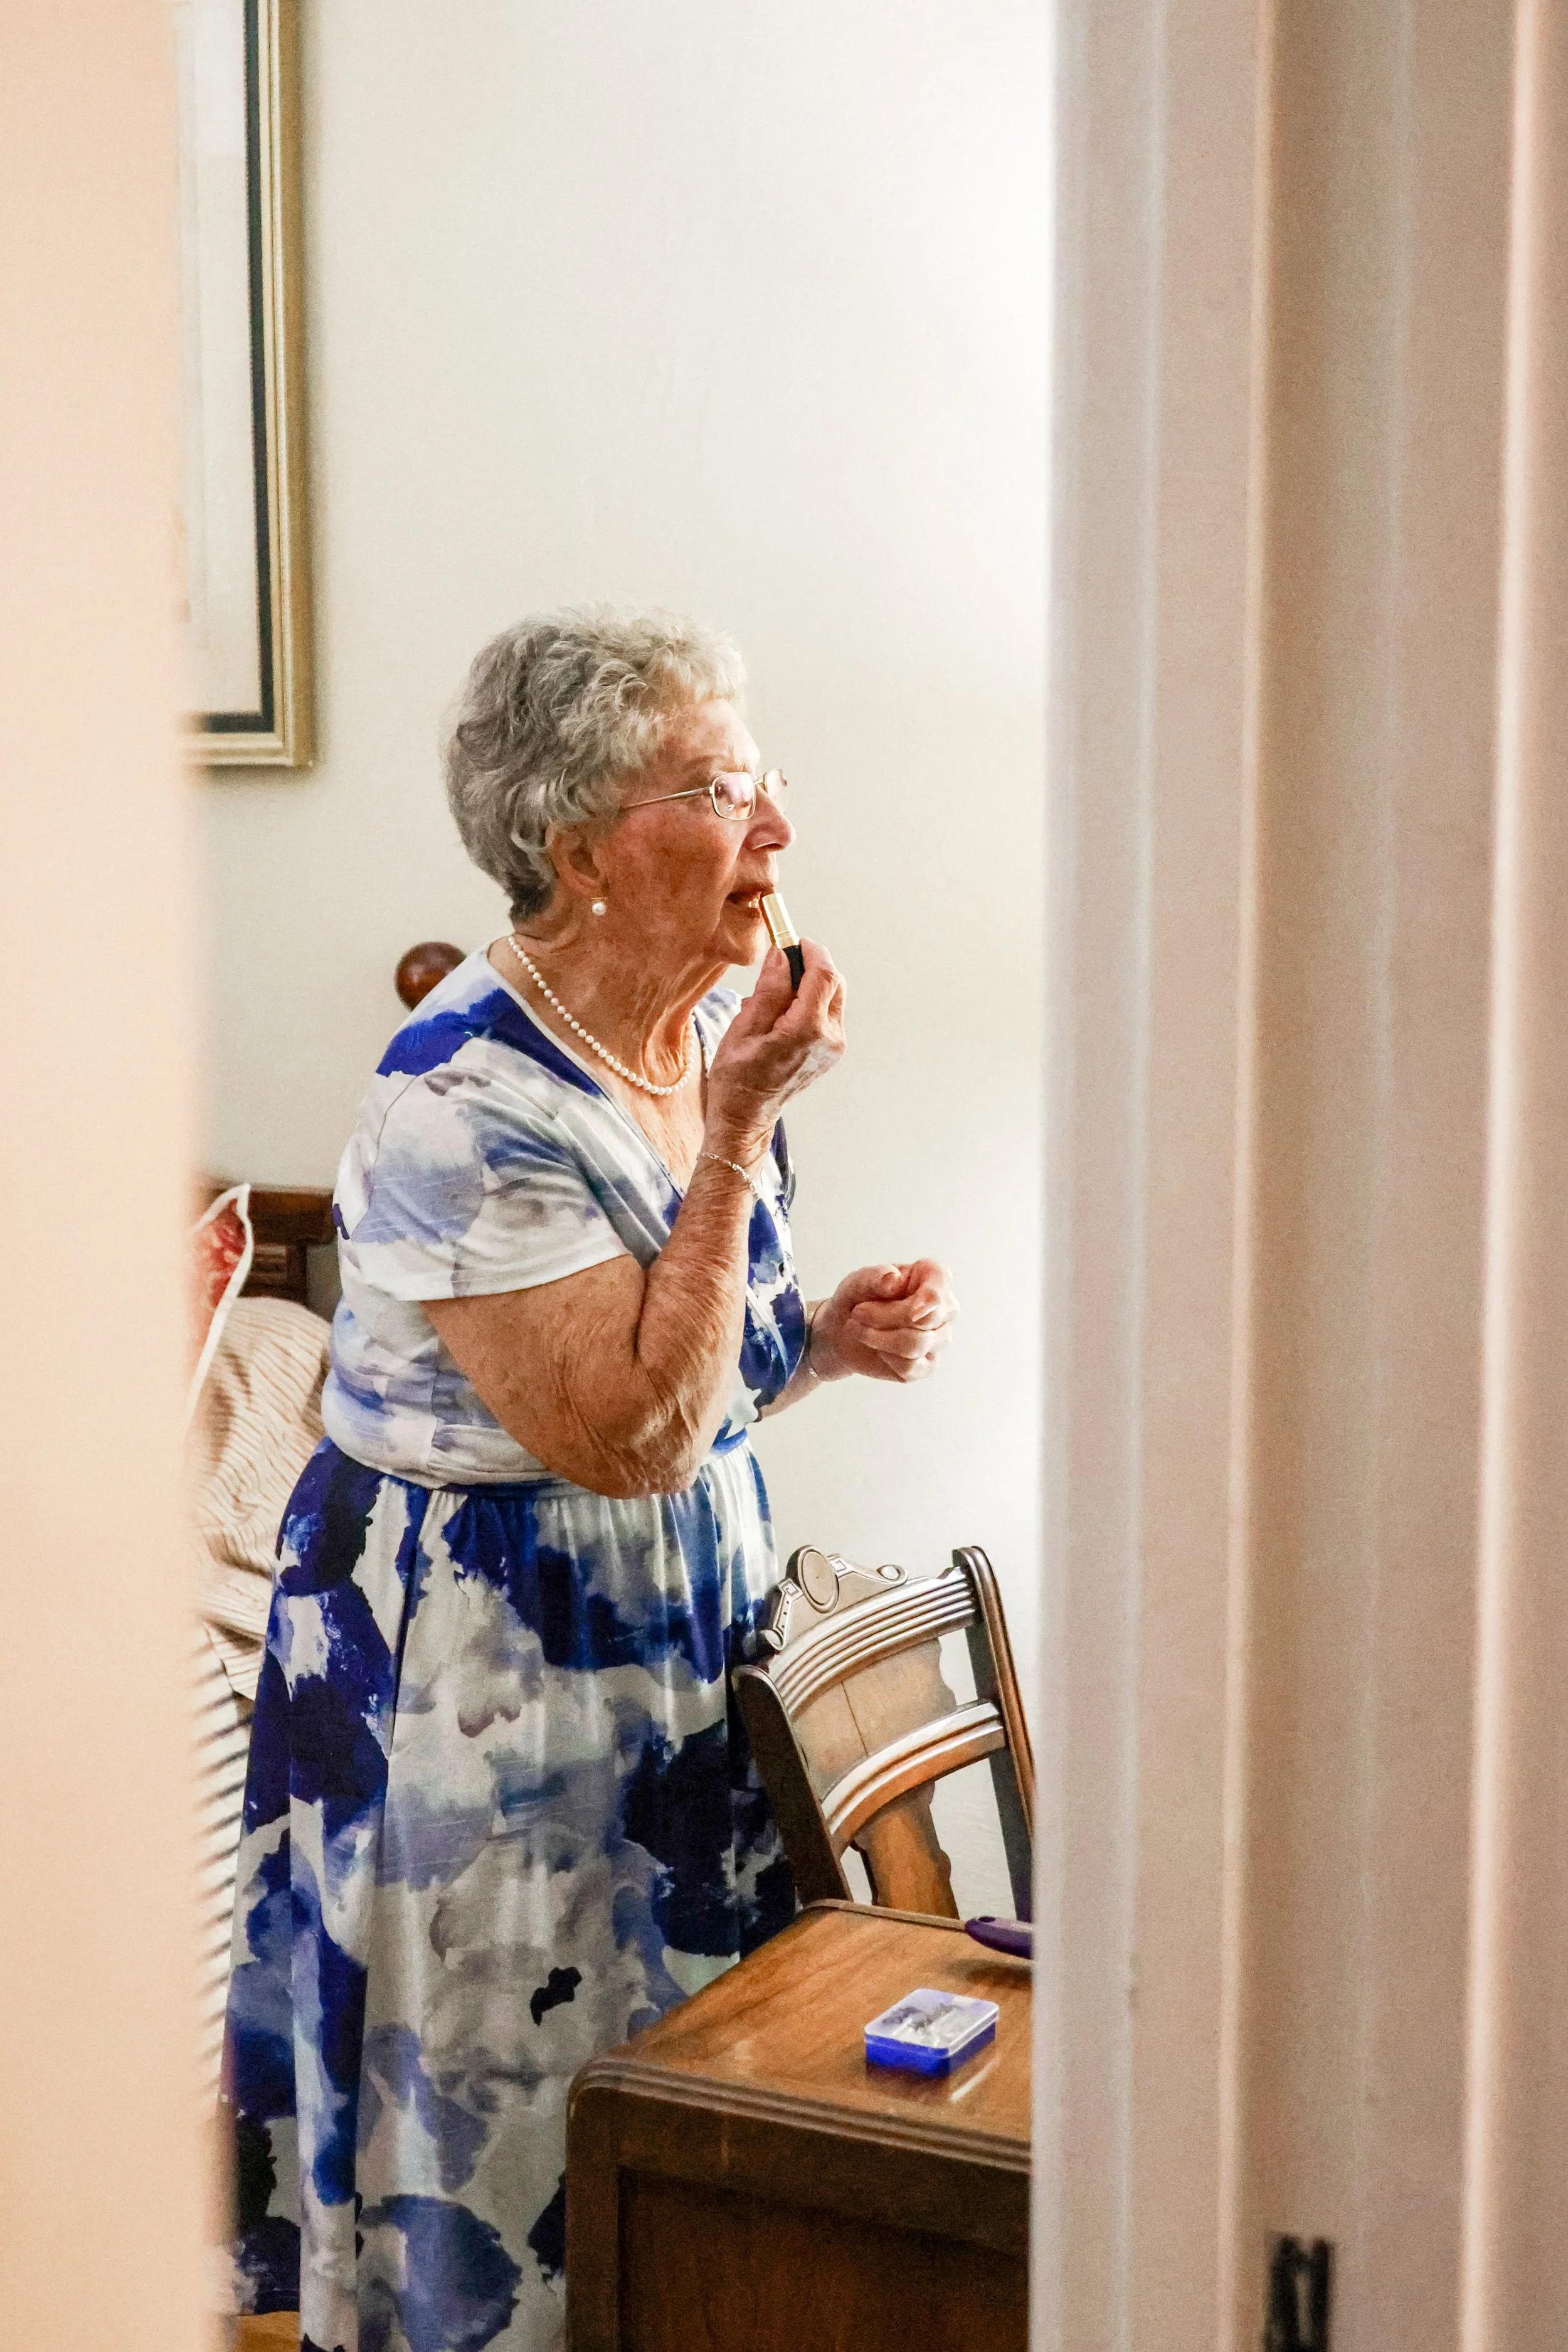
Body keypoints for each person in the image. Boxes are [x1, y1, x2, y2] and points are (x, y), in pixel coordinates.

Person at [222, 608, 959, 2352]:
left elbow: (679, 1371)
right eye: (716, 788)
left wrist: (817, 1346)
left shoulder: (702, 1029)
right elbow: (612, 1431)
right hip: (480, 1698)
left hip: (657, 1667)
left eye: (764, 778)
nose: (773, 824)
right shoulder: (455, 1100)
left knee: (656, 2110)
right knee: (497, 2145)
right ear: (576, 842)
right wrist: (742, 1137)